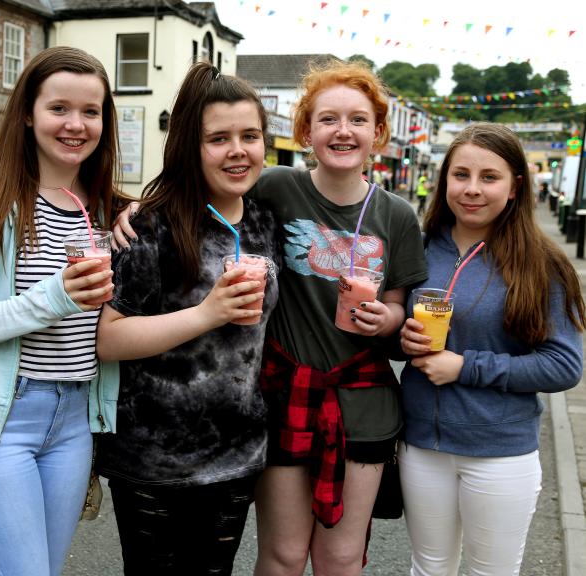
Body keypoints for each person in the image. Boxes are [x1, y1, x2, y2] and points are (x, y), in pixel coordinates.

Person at [113, 59, 427, 576]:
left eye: (358, 120)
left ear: (380, 132)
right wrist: (132, 208)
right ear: (305, 130)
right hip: (277, 403)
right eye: (328, 119)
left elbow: (399, 307)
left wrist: (388, 321)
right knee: (281, 555)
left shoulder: (395, 215)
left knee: (342, 557)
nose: (343, 131)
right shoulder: (277, 189)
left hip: (354, 405)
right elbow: (197, 191)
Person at [0, 46, 121, 576]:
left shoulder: (108, 211)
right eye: (58, 108)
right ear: (27, 113)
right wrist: (56, 296)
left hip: (74, 418)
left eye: (91, 111)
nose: (76, 124)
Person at [96, 61, 280, 575]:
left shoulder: (266, 219)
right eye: (218, 138)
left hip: (236, 454)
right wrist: (207, 313)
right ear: (189, 147)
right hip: (154, 460)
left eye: (250, 135)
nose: (237, 150)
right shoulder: (152, 226)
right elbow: (107, 339)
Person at [398, 122, 584, 575]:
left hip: (499, 453)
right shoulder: (418, 250)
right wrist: (400, 339)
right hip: (422, 444)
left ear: (515, 186)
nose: (472, 189)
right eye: (460, 175)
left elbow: (564, 365)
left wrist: (464, 367)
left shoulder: (543, 263)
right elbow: (395, 332)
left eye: (489, 177)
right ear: (444, 182)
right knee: (429, 567)